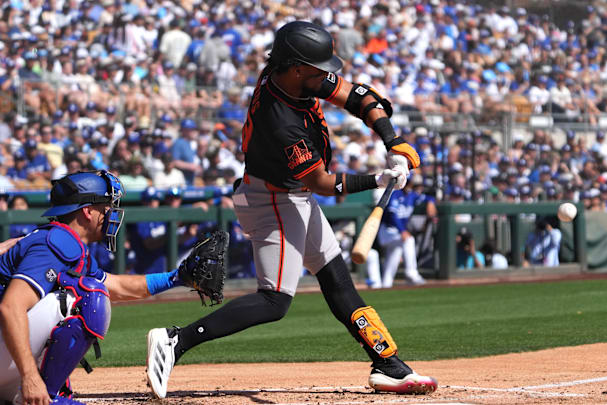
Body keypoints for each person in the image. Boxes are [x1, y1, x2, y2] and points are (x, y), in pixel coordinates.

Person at [146, 21, 436, 399]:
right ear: (298, 68)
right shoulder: (280, 119)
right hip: (273, 201)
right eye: (320, 69)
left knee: (336, 280)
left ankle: (389, 365)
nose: (328, 75)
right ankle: (175, 341)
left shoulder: (293, 76)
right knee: (275, 300)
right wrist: (379, 180)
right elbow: (322, 184)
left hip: (289, 196)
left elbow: (359, 96)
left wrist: (392, 140)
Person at [0, 171, 187, 405]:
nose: (111, 214)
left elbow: (116, 286)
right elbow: (10, 307)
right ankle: (46, 393)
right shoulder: (57, 242)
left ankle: (25, 393)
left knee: (87, 291)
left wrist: (176, 278)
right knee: (87, 296)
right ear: (88, 211)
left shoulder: (64, 241)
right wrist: (30, 376)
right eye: (106, 207)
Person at [376, 178, 428, 287]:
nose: (412, 186)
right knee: (409, 240)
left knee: (396, 252)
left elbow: (428, 198)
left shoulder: (412, 195)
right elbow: (393, 215)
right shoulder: (395, 194)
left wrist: (431, 202)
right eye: (410, 184)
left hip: (397, 234)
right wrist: (402, 231)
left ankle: (386, 283)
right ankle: (411, 272)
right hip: (387, 231)